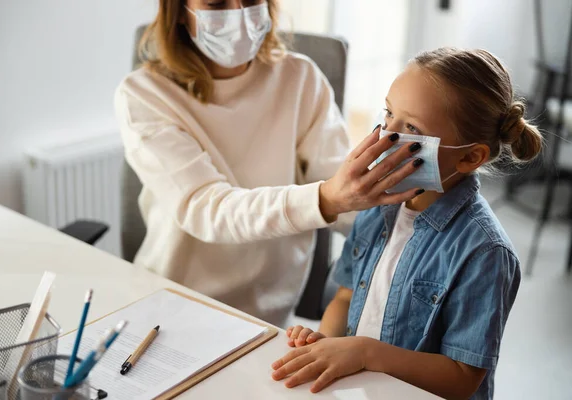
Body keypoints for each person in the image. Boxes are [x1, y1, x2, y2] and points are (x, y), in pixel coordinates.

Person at [114, 0, 425, 326]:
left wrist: (415, 203)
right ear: (177, 11)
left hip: (269, 315)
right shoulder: (143, 94)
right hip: (173, 305)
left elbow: (347, 196)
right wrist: (324, 198)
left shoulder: (300, 78)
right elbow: (208, 209)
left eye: (251, 1)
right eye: (217, 4)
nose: (238, 14)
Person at [271, 47, 542, 399]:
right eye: (388, 113)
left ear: (470, 156)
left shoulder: (485, 252)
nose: (386, 136)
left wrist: (365, 352)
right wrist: (325, 344)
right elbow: (345, 296)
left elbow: (461, 378)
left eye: (411, 127)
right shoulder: (376, 207)